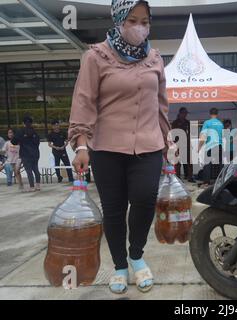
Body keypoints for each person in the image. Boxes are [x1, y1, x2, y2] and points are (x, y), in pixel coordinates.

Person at [69, 0, 174, 295]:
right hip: (107, 147)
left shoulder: (154, 58)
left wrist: (168, 141)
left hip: (149, 144)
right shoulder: (97, 56)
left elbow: (161, 105)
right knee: (114, 210)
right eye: (133, 20)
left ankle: (136, 255)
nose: (140, 27)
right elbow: (84, 100)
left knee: (144, 198)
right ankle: (119, 265)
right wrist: (81, 145)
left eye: (145, 20)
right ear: (118, 19)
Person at [11, 116, 41, 192]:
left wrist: (20, 140)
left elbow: (13, 142)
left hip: (25, 153)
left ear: (23, 123)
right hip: (35, 153)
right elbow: (38, 142)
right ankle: (38, 186)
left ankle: (32, 187)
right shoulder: (34, 132)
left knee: (29, 170)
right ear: (31, 123)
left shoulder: (20, 131)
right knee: (35, 169)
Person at [198, 108, 223, 187]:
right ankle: (220, 181)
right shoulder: (220, 124)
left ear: (210, 113)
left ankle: (206, 182)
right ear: (217, 114)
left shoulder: (207, 123)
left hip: (210, 146)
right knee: (219, 165)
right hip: (219, 145)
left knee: (207, 164)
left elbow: (202, 137)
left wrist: (199, 147)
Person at [171, 107, 194, 182]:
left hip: (186, 144)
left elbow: (190, 133)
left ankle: (190, 177)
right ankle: (178, 177)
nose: (185, 115)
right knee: (178, 162)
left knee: (190, 161)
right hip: (178, 144)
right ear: (180, 113)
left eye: (186, 113)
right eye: (184, 113)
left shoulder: (188, 122)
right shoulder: (175, 123)